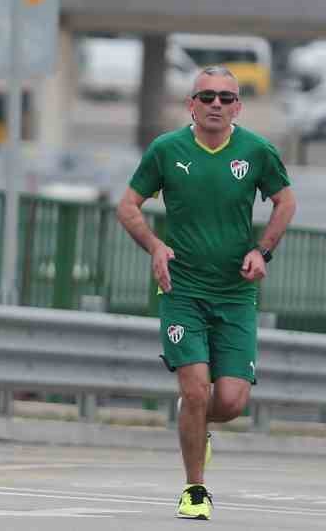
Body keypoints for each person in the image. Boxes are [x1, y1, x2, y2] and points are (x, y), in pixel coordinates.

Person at [115, 66, 297, 521]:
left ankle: (194, 420)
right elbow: (128, 205)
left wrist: (262, 251)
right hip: (183, 291)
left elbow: (286, 201)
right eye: (207, 96)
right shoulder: (166, 150)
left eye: (225, 98)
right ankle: (195, 490)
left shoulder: (257, 151)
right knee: (197, 390)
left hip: (235, 294)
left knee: (230, 402)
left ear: (238, 107)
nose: (216, 104)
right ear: (191, 104)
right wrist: (155, 246)